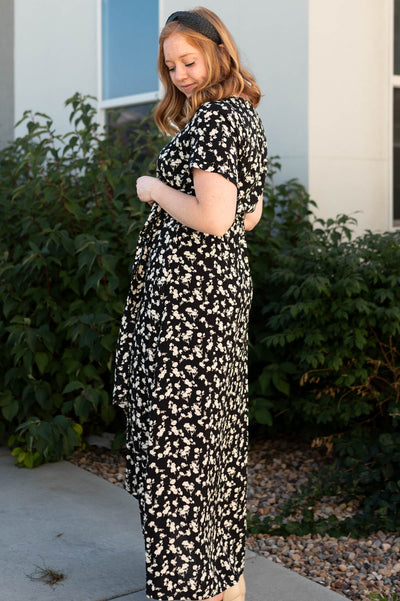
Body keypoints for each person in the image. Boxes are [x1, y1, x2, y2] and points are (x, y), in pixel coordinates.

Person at [113, 7, 268, 601]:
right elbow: (248, 215)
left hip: (187, 309)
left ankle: (188, 588)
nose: (179, 74)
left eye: (188, 60)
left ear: (216, 53)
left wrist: (152, 189)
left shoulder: (214, 122)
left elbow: (214, 217)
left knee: (178, 443)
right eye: (171, 64)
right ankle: (223, 580)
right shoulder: (240, 117)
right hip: (215, 298)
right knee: (210, 439)